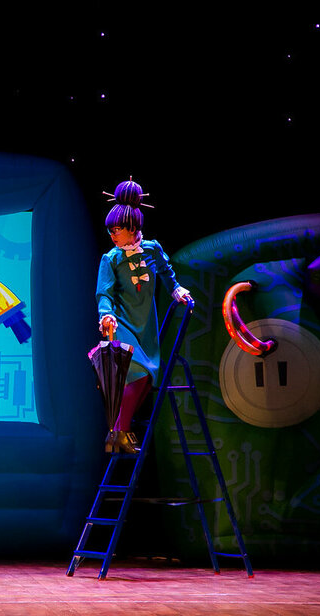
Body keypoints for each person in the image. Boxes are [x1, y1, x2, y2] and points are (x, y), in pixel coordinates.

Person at [97, 179, 191, 453]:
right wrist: (106, 315)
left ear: (132, 228)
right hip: (122, 323)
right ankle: (119, 432)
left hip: (146, 325)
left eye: (117, 230)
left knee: (148, 378)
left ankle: (118, 434)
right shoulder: (111, 259)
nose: (113, 235)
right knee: (138, 372)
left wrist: (176, 290)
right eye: (110, 230)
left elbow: (166, 273)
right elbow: (104, 293)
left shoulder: (152, 249)